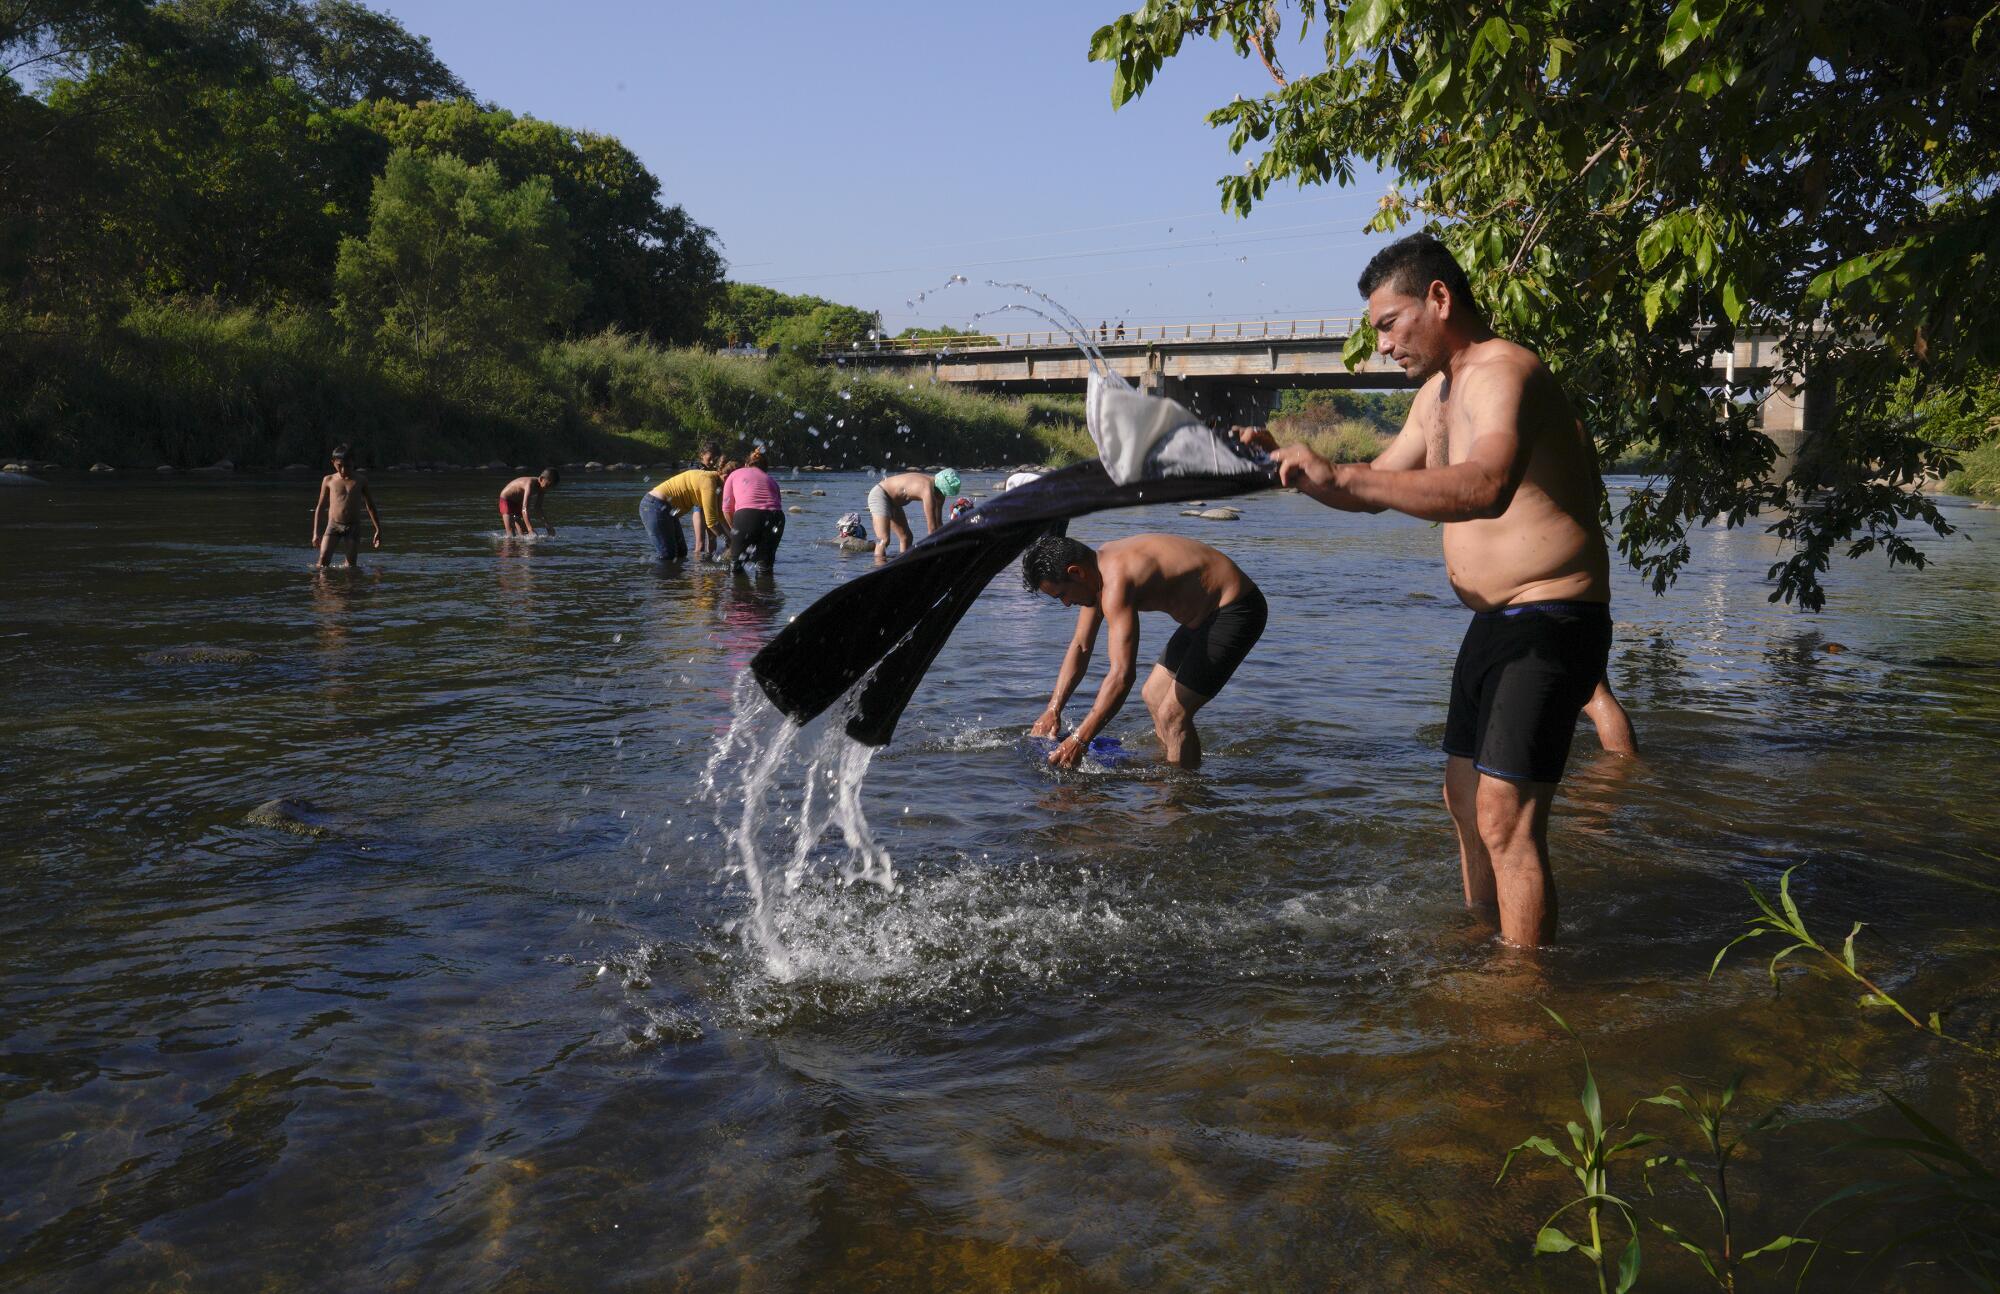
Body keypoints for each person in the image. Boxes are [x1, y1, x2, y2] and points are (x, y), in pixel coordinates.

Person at [1243, 231, 1615, 947]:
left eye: (1388, 324)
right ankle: (1489, 939)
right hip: (1494, 625)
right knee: (1464, 799)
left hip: (1553, 614)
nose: (1382, 346)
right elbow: (1371, 492)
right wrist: (1281, 468)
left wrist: (1344, 473)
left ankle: (1523, 995)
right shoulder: (1435, 397)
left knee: (1506, 815)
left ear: (1438, 299)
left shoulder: (1506, 370)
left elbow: (1486, 486)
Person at [1022, 532, 1266, 771]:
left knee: (1173, 715)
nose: (1066, 604)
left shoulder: (1117, 581)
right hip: (1202, 617)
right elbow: (1080, 646)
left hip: (1236, 609)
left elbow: (1122, 676)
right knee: (1153, 694)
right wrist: (1053, 710)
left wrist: (1079, 740)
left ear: (1076, 572)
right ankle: (1173, 767)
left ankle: (1184, 796)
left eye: (1062, 595)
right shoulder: (1097, 572)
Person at [310, 444, 381, 567]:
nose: (343, 470)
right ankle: (322, 586)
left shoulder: (360, 480)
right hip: (333, 525)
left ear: (353, 463)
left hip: (352, 527)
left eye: (347, 466)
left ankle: (349, 586)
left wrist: (378, 529)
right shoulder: (329, 480)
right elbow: (320, 507)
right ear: (333, 462)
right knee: (323, 561)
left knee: (350, 566)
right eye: (339, 466)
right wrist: (316, 533)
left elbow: (370, 506)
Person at [642, 463, 730, 562]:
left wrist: (734, 537)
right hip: (654, 505)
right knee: (668, 556)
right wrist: (730, 541)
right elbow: (712, 522)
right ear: (726, 477)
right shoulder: (708, 482)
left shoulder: (717, 483)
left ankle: (678, 577)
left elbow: (720, 517)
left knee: (681, 552)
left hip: (665, 508)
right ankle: (661, 576)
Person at [867, 468, 958, 562]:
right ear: (939, 487)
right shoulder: (926, 490)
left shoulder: (939, 494)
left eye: (946, 494)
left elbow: (939, 524)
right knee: (884, 539)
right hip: (880, 494)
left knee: (906, 537)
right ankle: (879, 567)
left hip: (894, 502)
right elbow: (932, 529)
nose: (943, 496)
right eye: (943, 492)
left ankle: (902, 564)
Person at [721, 449, 786, 567]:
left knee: (737, 567)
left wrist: (735, 531)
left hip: (747, 516)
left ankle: (739, 584)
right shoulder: (770, 479)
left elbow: (726, 509)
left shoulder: (735, 474)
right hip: (776, 517)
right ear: (766, 468)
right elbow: (777, 505)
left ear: (746, 465)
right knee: (765, 568)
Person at [498, 469, 558, 537]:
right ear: (541, 479)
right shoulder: (530, 483)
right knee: (511, 534)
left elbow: (538, 508)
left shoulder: (543, 488)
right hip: (506, 501)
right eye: (547, 486)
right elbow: (525, 508)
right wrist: (530, 529)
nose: (547, 489)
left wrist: (548, 526)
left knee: (524, 534)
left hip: (518, 502)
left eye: (550, 487)